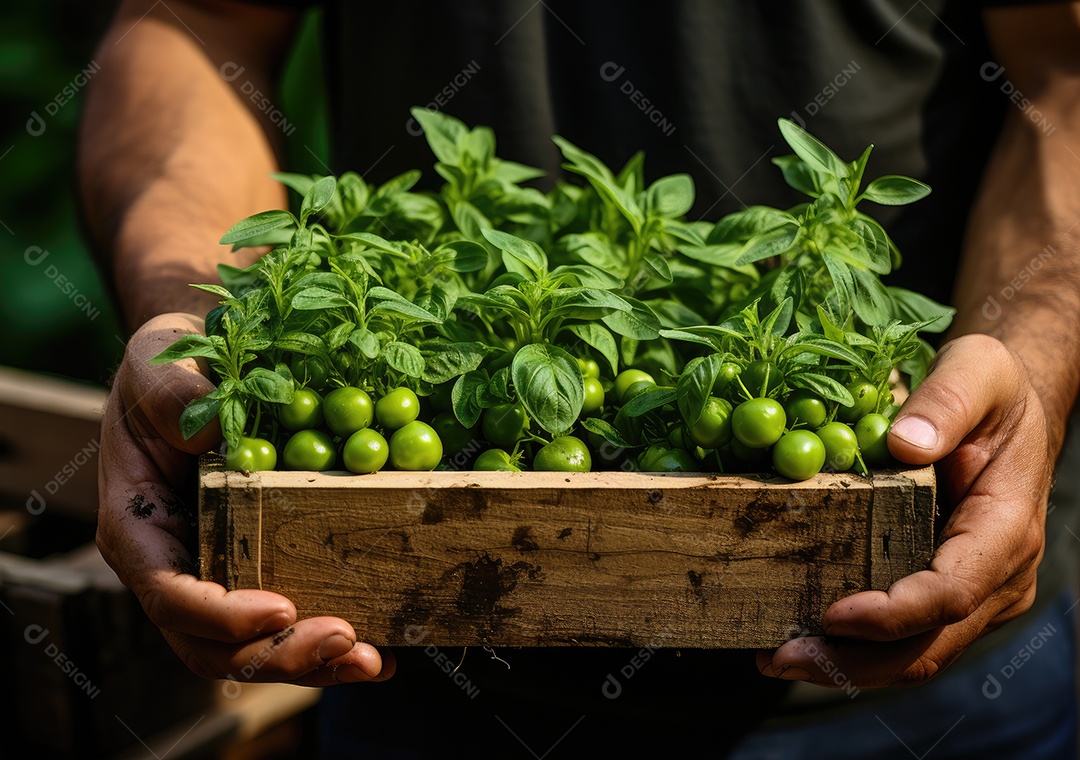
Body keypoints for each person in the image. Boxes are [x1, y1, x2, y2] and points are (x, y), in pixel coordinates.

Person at [80, 0, 1080, 756]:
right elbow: (189, 22)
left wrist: (1032, 356)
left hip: (929, 697)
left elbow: (1062, 66)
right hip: (408, 656)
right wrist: (193, 321)